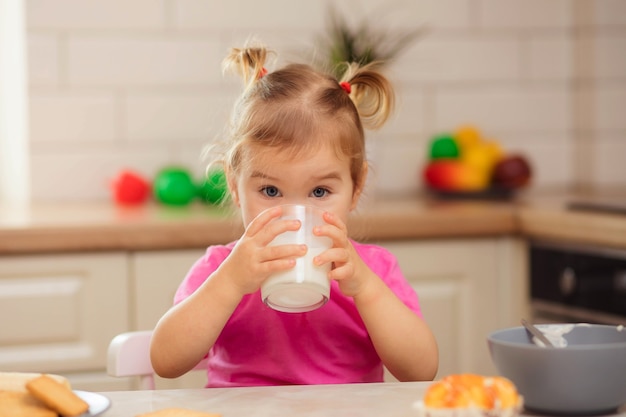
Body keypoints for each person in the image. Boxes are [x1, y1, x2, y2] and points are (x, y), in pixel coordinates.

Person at [150, 41, 439, 387]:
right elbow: (165, 362)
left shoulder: (373, 271)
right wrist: (229, 283)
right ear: (234, 185)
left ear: (356, 187)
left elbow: (421, 371)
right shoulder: (222, 268)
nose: (296, 218)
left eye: (320, 192)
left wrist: (365, 288)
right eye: (270, 191)